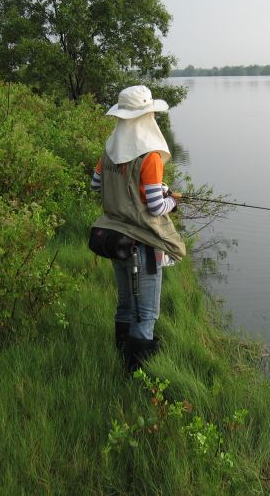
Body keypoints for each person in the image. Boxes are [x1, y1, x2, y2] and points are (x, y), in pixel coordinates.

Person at [90, 85, 186, 371]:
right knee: (146, 314)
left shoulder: (110, 148)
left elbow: (97, 184)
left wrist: (157, 190)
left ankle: (122, 357)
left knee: (125, 305)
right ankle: (136, 373)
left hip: (115, 236)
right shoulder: (150, 156)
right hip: (143, 241)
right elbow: (156, 207)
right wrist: (173, 203)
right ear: (147, 117)